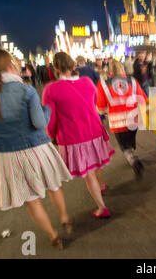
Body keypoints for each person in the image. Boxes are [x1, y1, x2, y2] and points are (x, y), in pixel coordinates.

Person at [0, 48, 73, 249]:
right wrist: (48, 109)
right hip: (36, 148)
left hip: (6, 155)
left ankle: (53, 236)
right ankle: (64, 218)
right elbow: (39, 122)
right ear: (10, 64)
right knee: (53, 185)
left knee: (31, 200)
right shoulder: (26, 90)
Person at [42, 52, 115, 219]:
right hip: (94, 131)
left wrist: (52, 135)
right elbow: (95, 101)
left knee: (89, 175)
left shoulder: (51, 90)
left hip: (74, 137)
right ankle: (101, 185)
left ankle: (101, 207)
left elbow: (50, 119)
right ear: (74, 66)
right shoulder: (88, 82)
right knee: (96, 165)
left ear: (55, 69)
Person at [97, 59, 147, 178]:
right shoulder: (132, 81)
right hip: (134, 120)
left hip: (117, 123)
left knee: (124, 146)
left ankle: (133, 161)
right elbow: (143, 99)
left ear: (109, 71)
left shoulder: (103, 84)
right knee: (130, 141)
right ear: (122, 69)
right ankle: (133, 154)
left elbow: (101, 108)